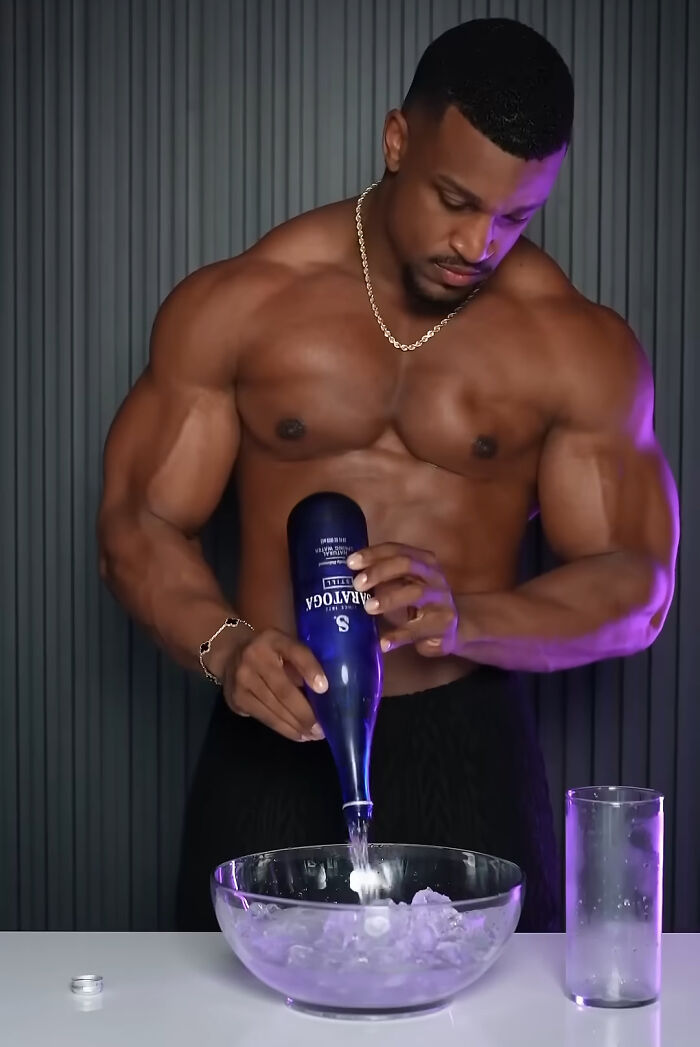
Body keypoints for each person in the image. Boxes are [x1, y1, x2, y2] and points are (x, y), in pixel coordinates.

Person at [97, 18, 679, 932]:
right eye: (455, 198)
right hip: (274, 729)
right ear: (397, 140)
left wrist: (470, 616)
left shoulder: (571, 344)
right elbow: (138, 522)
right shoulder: (244, 303)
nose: (480, 241)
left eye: (516, 215)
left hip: (469, 740)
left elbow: (637, 584)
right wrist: (224, 646)